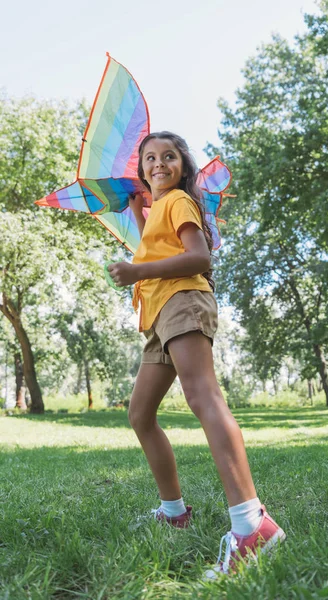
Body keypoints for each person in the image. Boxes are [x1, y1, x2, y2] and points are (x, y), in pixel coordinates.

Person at [108, 131, 285, 576]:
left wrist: (136, 270)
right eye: (149, 159)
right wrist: (137, 212)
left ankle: (252, 526)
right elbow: (158, 246)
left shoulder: (180, 202)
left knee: (204, 398)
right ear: (142, 171)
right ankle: (174, 511)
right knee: (140, 414)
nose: (158, 163)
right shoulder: (157, 208)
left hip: (184, 300)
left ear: (183, 166)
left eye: (168, 156)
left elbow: (199, 258)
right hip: (159, 314)